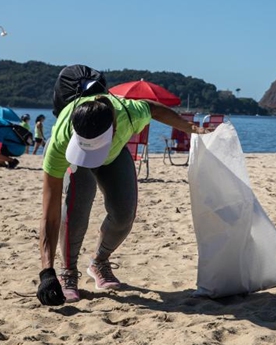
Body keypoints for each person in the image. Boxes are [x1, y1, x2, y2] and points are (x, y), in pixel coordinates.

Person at [36, 93, 207, 306]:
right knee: (76, 211)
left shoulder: (130, 114)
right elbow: (49, 214)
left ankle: (99, 262)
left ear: (114, 128)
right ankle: (68, 271)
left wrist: (193, 129)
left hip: (114, 154)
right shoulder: (60, 143)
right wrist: (47, 272)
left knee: (124, 212)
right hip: (76, 160)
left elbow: (155, 108)